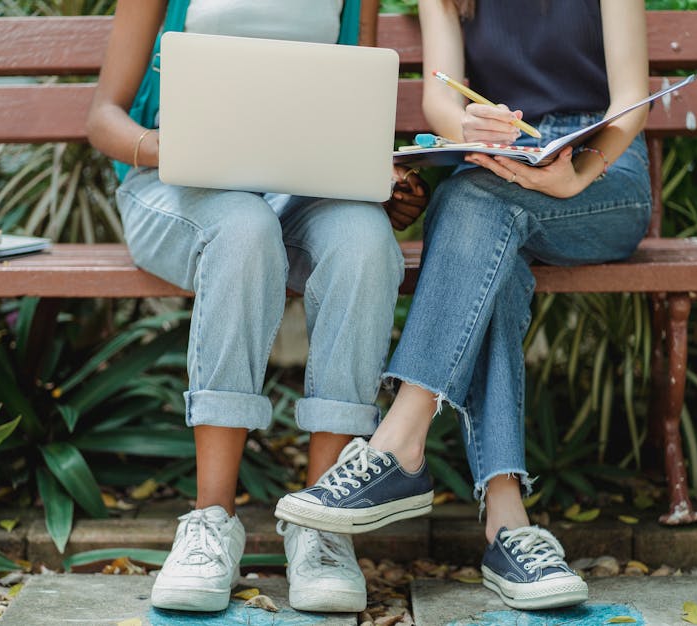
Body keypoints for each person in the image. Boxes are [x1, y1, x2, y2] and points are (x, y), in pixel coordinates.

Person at [276, 0, 652, 611]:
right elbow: (441, 100)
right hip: (502, 162)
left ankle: (399, 443)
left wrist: (578, 173)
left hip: (602, 173)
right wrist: (468, 125)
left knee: (473, 205)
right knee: (486, 235)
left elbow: (631, 99)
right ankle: (509, 528)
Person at [86, 0, 428, 614]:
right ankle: (210, 522)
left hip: (302, 188)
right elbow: (103, 119)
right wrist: (172, 147)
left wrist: (383, 183)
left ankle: (324, 525)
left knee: (367, 244)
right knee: (243, 232)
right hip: (176, 187)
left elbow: (355, 115)